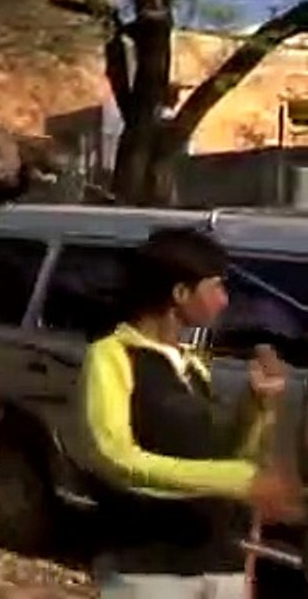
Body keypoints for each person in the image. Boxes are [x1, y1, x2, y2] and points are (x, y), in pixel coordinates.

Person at [80, 227, 303, 599]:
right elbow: (114, 457)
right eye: (215, 287)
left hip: (217, 564)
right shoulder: (112, 356)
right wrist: (238, 479)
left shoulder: (192, 365)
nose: (224, 301)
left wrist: (259, 404)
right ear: (180, 293)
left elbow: (230, 454)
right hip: (149, 572)